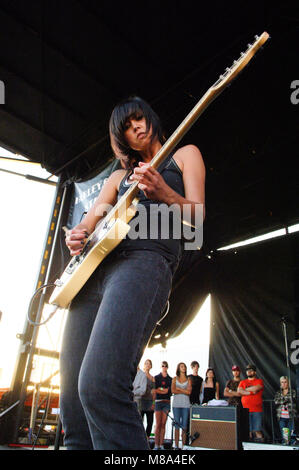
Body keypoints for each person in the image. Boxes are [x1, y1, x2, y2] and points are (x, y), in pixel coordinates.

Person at [60, 95, 205, 450]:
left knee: (100, 384)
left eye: (138, 118)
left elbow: (197, 221)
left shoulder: (185, 155)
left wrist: (164, 191)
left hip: (144, 262)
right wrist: (77, 236)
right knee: (73, 404)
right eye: (126, 127)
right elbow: (89, 222)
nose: (136, 127)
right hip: (94, 275)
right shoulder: (118, 177)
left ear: (150, 117)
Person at [238, 364, 264, 441]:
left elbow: (257, 388)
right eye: (247, 370)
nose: (249, 372)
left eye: (251, 370)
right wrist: (251, 392)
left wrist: (245, 390)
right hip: (245, 410)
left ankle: (261, 447)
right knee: (247, 431)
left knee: (257, 430)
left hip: (256, 410)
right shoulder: (243, 381)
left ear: (255, 372)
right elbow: (239, 391)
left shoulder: (259, 381)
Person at [171, 363, 192, 449]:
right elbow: (173, 390)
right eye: (182, 366)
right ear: (178, 368)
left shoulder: (189, 379)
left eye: (184, 366)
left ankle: (183, 445)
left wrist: (178, 389)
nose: (183, 368)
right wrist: (183, 390)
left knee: (184, 426)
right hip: (176, 404)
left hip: (186, 404)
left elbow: (189, 392)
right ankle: (176, 445)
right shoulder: (175, 378)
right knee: (176, 424)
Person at [153, 361, 173, 450]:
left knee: (163, 424)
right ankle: (156, 444)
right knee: (158, 424)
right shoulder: (156, 377)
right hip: (158, 402)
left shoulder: (170, 379)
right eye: (162, 366)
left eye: (165, 366)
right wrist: (162, 389)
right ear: (161, 367)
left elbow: (168, 391)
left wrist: (161, 389)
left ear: (167, 367)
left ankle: (161, 444)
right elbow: (155, 390)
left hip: (166, 402)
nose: (164, 367)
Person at [274, 376, 297, 444]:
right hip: (281, 417)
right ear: (280, 383)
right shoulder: (278, 392)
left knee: (292, 434)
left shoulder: (292, 391)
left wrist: (283, 400)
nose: (284, 384)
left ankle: (292, 445)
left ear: (288, 383)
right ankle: (285, 445)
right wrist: (285, 401)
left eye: (285, 382)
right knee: (284, 435)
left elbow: (293, 399)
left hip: (291, 416)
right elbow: (276, 401)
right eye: (282, 382)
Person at [141, 359, 155, 439]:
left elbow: (154, 392)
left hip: (149, 402)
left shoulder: (152, 378)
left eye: (149, 364)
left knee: (150, 422)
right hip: (141, 401)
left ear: (151, 366)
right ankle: (140, 438)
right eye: (146, 363)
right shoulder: (140, 375)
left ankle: (147, 438)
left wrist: (153, 403)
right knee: (140, 422)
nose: (147, 365)